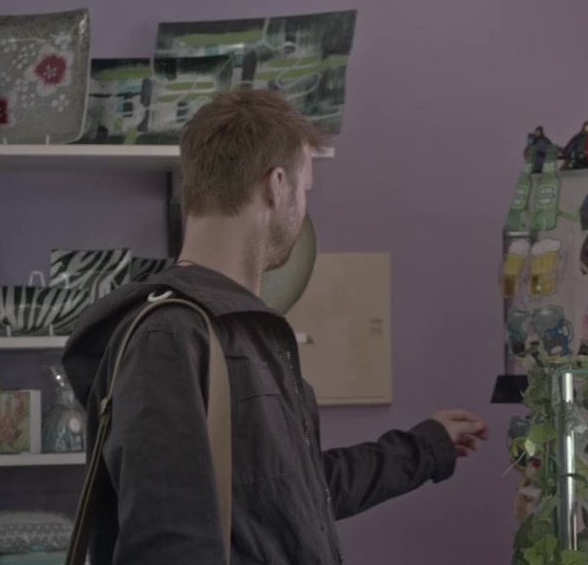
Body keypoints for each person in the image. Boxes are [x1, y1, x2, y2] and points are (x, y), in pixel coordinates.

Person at [62, 89, 489, 564]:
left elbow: (294, 496)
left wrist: (426, 446)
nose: (304, 209)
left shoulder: (237, 329)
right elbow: (169, 546)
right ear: (277, 185)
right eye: (306, 192)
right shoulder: (172, 337)